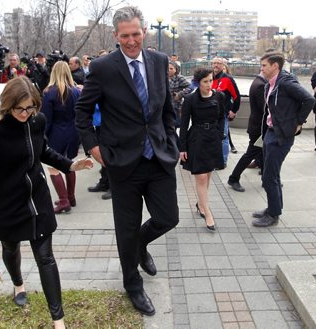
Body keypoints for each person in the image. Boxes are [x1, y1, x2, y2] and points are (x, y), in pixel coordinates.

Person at [0, 76, 92, 329]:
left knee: (46, 258)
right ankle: (18, 284)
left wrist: (70, 165)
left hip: (38, 201)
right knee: (11, 249)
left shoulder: (37, 121)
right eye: (20, 108)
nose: (26, 113)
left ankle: (58, 320)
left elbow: (43, 152)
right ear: (7, 104)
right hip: (6, 204)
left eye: (31, 107)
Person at [75, 6, 179, 316]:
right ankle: (132, 284)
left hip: (159, 158)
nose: (131, 41)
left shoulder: (160, 62)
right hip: (122, 162)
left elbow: (167, 109)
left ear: (144, 32)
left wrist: (172, 141)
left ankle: (140, 246)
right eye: (124, 36)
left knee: (168, 218)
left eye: (135, 34)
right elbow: (82, 112)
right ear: (115, 36)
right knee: (126, 227)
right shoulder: (103, 67)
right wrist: (94, 149)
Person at [252, 52, 315, 227]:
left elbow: (309, 99)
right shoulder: (271, 83)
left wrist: (299, 122)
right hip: (270, 133)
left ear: (275, 66)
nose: (261, 68)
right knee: (272, 175)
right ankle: (272, 208)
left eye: (264, 65)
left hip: (280, 136)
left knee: (269, 177)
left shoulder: (286, 82)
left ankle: (273, 214)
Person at [179, 68, 225, 231]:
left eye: (211, 80)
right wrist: (182, 147)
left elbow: (221, 117)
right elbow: (184, 124)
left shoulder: (219, 96)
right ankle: (207, 212)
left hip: (213, 138)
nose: (209, 84)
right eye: (205, 81)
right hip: (196, 138)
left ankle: (200, 204)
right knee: (201, 178)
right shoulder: (190, 99)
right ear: (198, 82)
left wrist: (220, 134)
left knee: (208, 174)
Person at [41, 61, 81, 213]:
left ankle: (64, 200)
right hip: (73, 131)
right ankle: (70, 196)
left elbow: (47, 119)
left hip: (56, 132)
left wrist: (42, 136)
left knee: (53, 167)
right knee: (70, 164)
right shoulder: (77, 91)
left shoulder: (49, 92)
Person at [227, 73, 267, 192]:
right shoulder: (260, 85)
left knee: (264, 152)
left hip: (258, 126)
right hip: (259, 127)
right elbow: (266, 108)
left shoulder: (258, 82)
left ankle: (267, 179)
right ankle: (233, 178)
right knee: (251, 153)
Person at [211, 57, 240, 167]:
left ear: (223, 66)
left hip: (223, 113)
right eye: (214, 63)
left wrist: (234, 110)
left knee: (223, 137)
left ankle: (222, 161)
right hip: (210, 113)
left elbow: (236, 96)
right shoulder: (209, 77)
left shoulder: (228, 79)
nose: (216, 65)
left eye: (219, 63)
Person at [168, 61, 192, 126]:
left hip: (175, 106)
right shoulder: (163, 77)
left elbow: (190, 87)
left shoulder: (179, 78)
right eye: (167, 68)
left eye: (171, 68)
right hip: (165, 106)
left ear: (176, 70)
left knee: (174, 126)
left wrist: (180, 94)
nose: (169, 70)